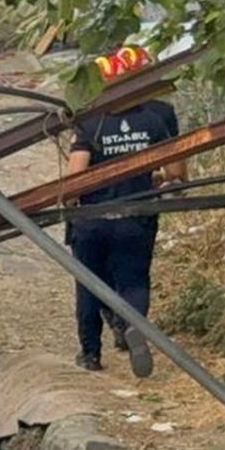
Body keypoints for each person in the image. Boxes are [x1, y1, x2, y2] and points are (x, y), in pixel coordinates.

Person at [67, 98, 186, 376]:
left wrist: (71, 204)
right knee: (134, 280)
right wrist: (154, 179)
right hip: (135, 218)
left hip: (92, 221)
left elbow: (76, 179)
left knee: (88, 286)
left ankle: (90, 354)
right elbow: (176, 173)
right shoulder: (154, 120)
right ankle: (132, 327)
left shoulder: (90, 123)